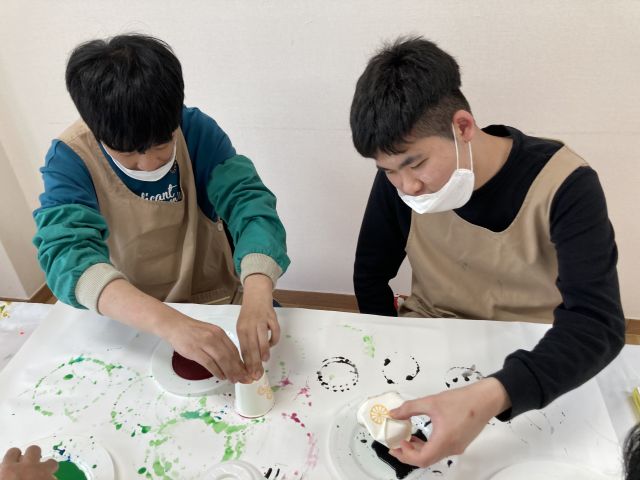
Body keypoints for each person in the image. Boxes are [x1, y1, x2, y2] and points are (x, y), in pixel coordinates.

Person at [350, 36, 625, 467]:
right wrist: (388, 357)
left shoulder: (566, 185)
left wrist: (491, 396)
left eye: (416, 164)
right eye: (388, 171)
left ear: (463, 127)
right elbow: (370, 273)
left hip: (536, 356)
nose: (408, 187)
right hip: (432, 338)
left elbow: (598, 324)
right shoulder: (401, 181)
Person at [33, 34, 289, 384]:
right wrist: (170, 323)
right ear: (95, 129)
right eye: (128, 152)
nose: (149, 162)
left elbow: (251, 206)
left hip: (213, 299)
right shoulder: (71, 158)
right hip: (129, 314)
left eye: (162, 144)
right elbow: (67, 256)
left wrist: (258, 292)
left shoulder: (196, 131)